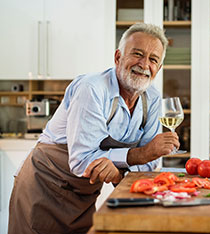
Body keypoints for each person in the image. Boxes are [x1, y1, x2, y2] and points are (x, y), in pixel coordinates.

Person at [8, 23, 179, 233]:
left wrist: (122, 169)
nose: (144, 64)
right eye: (137, 54)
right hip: (45, 185)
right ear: (118, 57)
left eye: (153, 59)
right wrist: (138, 156)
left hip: (84, 193)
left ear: (159, 68)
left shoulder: (152, 98)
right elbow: (82, 160)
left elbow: (150, 165)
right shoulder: (92, 89)